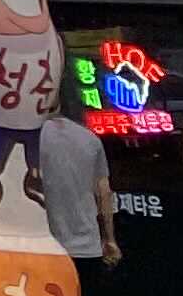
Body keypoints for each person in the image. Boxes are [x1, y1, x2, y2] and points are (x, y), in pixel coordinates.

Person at [41, 108, 125, 270]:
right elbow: (104, 193)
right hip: (86, 246)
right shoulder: (90, 139)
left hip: (42, 245)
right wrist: (109, 239)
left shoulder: (32, 137)